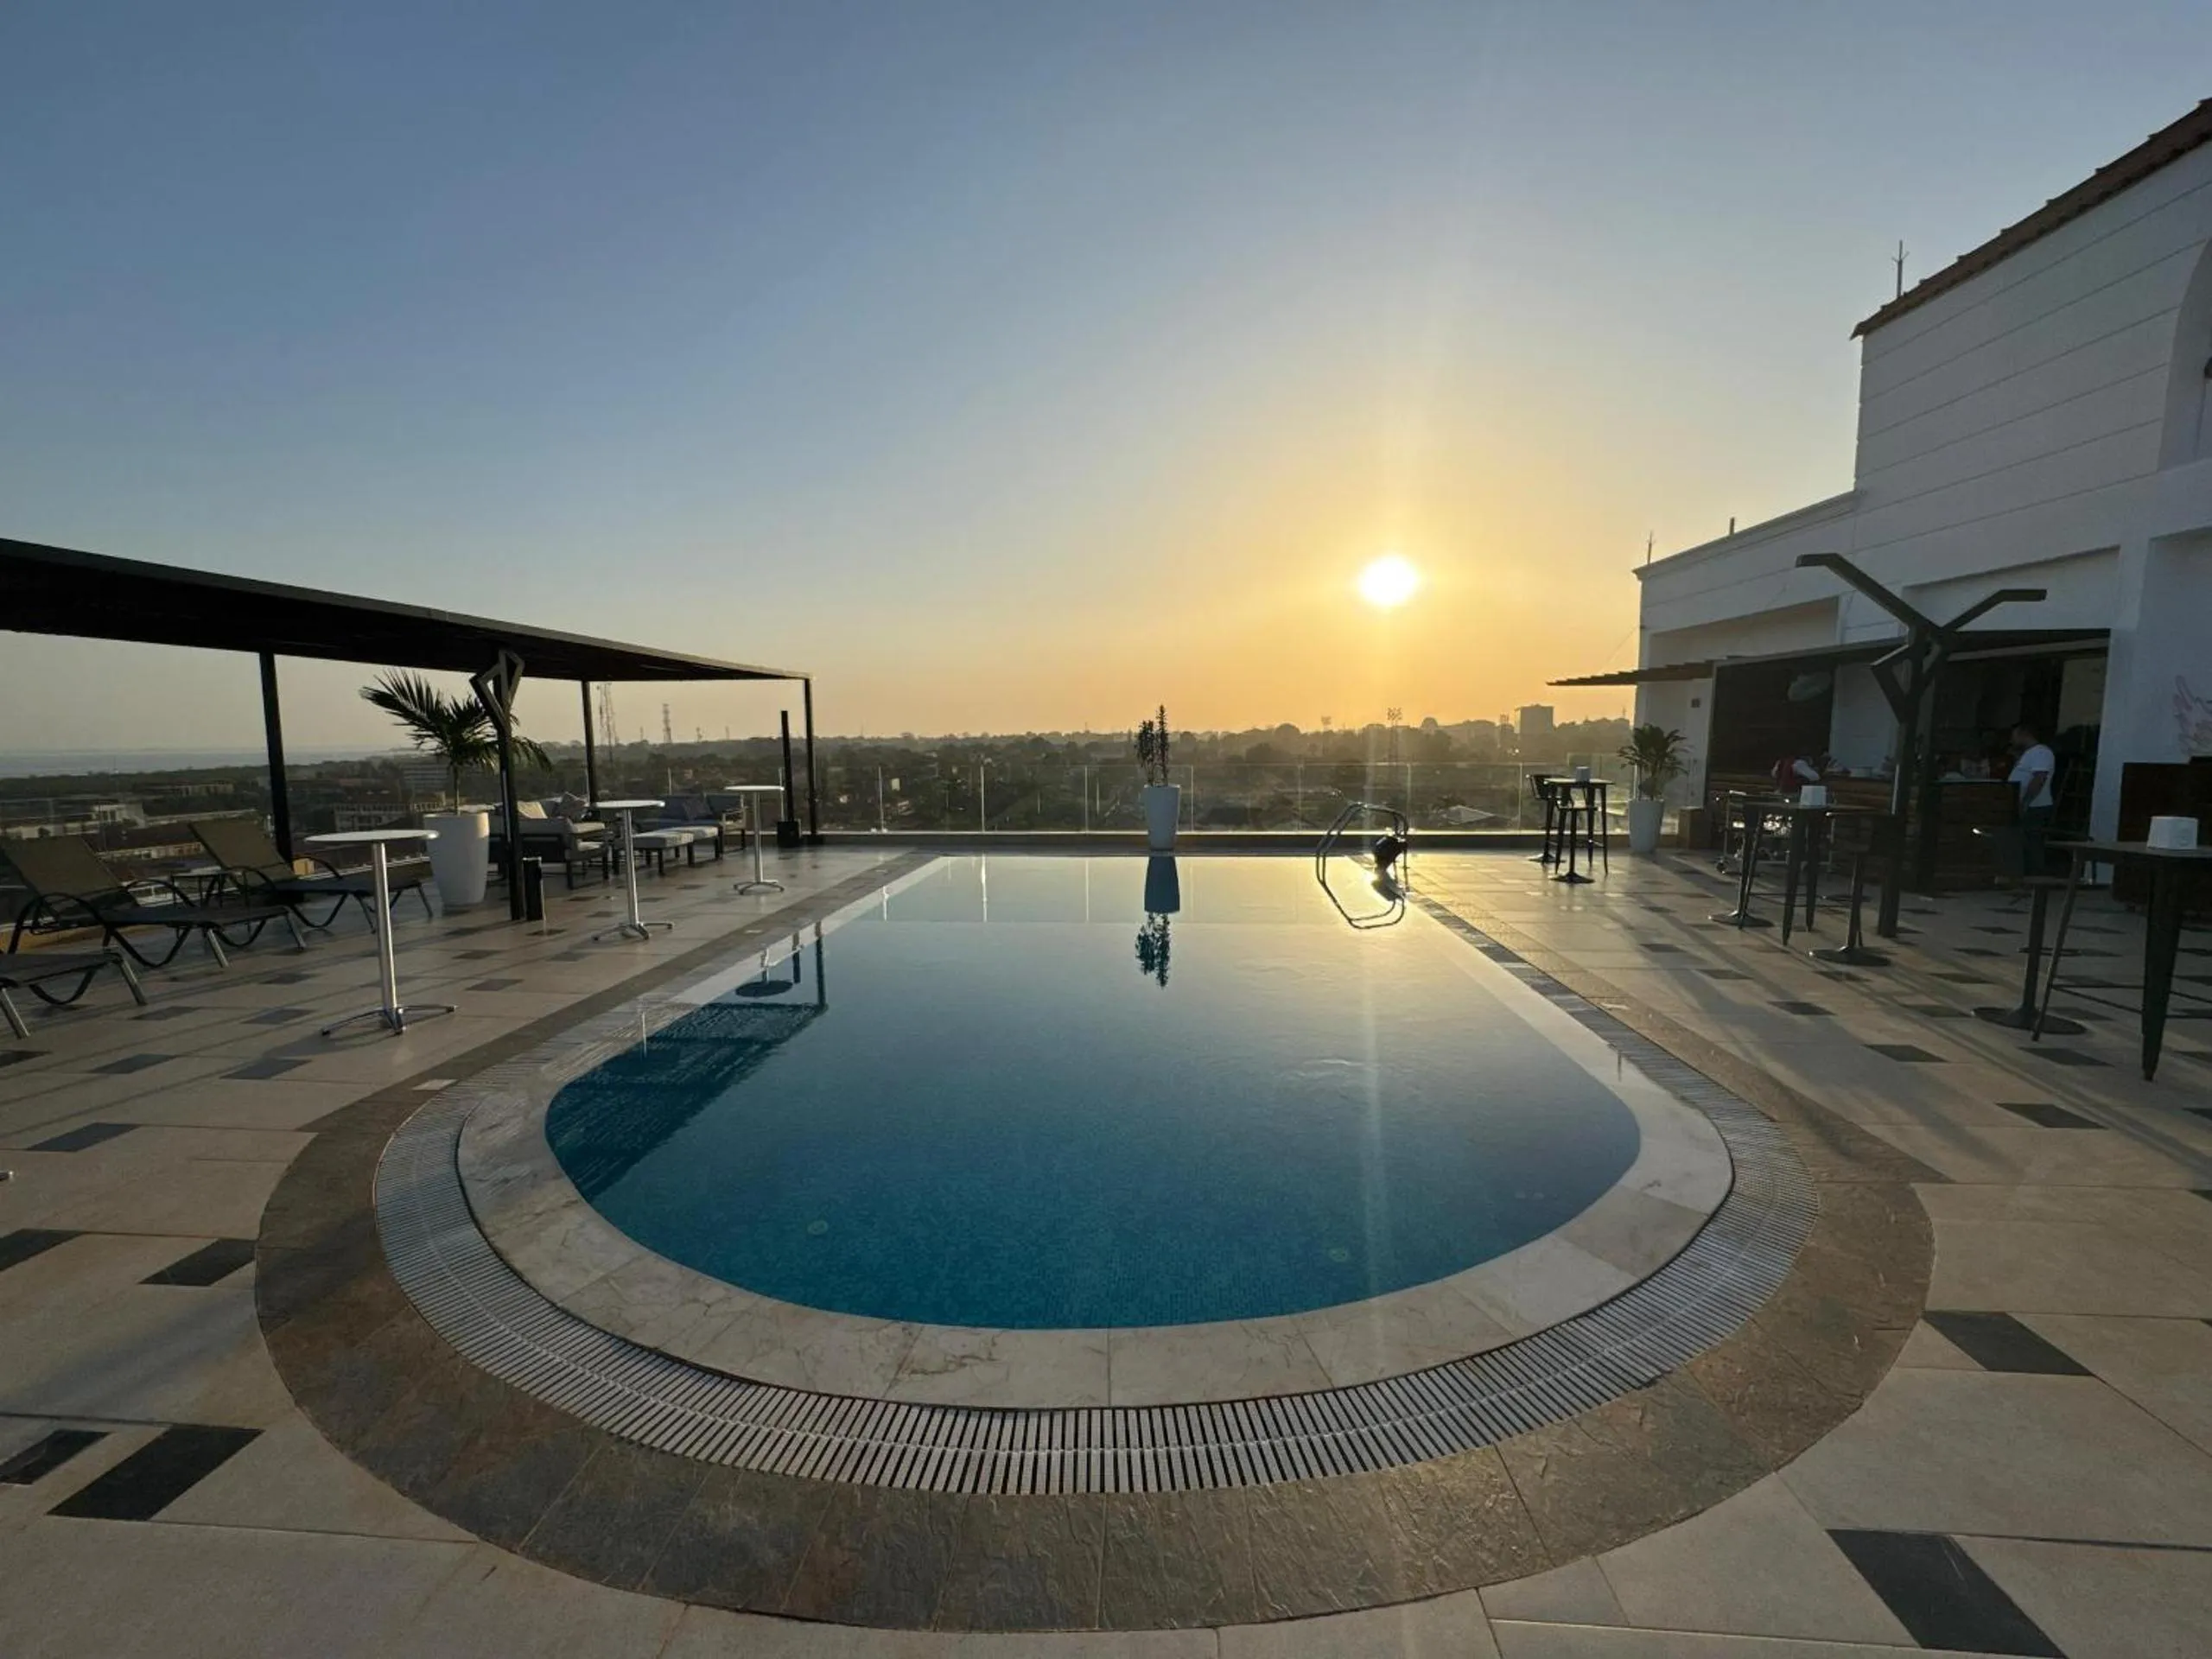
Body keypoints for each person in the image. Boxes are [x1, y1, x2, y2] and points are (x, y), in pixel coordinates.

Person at [2009, 721, 2057, 874]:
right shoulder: (2029, 754)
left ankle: (2035, 877)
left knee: (2032, 842)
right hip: (2025, 805)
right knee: (2025, 841)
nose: (2013, 740)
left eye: (2015, 735)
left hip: (2035, 806)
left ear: (2024, 734)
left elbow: (2039, 778)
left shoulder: (2041, 752)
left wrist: (2026, 802)